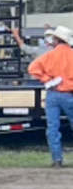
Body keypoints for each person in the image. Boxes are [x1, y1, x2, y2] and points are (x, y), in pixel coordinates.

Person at [28, 25, 73, 167]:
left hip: (53, 93)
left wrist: (47, 79)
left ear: (57, 39)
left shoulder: (48, 55)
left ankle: (57, 159)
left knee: (53, 127)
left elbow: (32, 68)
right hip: (69, 93)